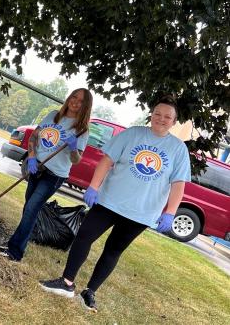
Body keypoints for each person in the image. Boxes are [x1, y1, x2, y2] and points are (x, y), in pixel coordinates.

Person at [39, 95, 191, 313]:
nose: (161, 119)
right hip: (110, 201)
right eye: (157, 114)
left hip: (141, 212)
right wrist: (93, 186)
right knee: (84, 236)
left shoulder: (178, 150)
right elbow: (107, 161)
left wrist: (170, 212)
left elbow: (178, 184)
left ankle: (90, 292)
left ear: (174, 122)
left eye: (167, 116)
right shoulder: (132, 134)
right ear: (151, 115)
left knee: (113, 250)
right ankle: (66, 283)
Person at [0, 88, 93, 262]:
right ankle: (16, 244)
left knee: (31, 208)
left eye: (81, 101)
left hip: (54, 175)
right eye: (74, 97)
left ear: (85, 106)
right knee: (29, 208)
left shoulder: (81, 130)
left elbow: (76, 160)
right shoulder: (53, 115)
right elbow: (34, 136)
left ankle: (15, 251)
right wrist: (32, 158)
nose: (75, 102)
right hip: (37, 167)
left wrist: (73, 148)